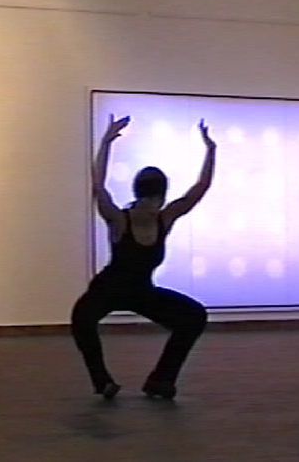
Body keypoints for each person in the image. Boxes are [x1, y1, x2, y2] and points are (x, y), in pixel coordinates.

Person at [71, 114, 216, 400]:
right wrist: (106, 142)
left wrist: (211, 150)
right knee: (82, 319)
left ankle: (161, 380)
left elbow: (199, 189)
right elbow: (98, 186)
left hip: (142, 292)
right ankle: (103, 382)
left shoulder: (165, 218)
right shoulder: (118, 219)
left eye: (156, 202)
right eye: (149, 201)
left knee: (194, 316)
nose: (153, 207)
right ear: (139, 197)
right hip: (107, 290)